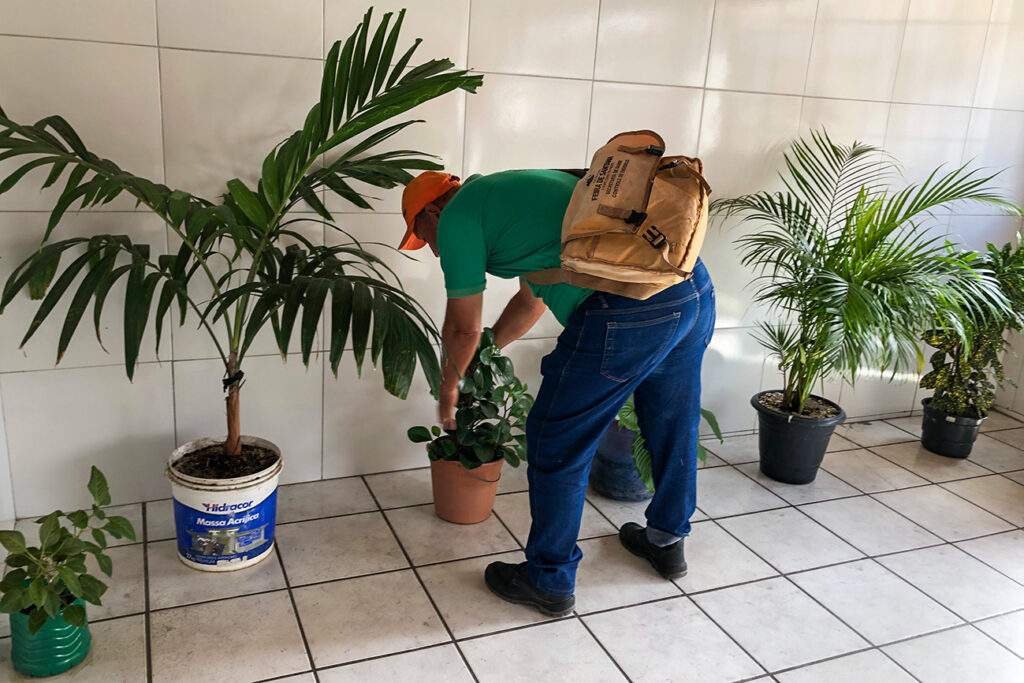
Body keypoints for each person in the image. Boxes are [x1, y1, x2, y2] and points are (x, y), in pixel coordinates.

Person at [398, 169, 715, 616]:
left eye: (422, 234)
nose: (432, 248)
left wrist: (449, 386)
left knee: (556, 441)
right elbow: (530, 301)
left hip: (627, 310)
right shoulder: (508, 199)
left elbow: (462, 327)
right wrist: (487, 352)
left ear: (433, 210)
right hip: (689, 286)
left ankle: (549, 579)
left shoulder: (458, 218)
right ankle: (666, 540)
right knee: (672, 421)